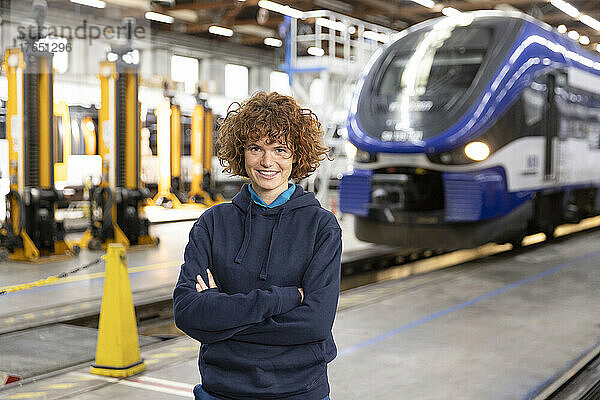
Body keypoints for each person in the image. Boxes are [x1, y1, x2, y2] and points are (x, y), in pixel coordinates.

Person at [173, 91, 342, 400]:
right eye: (256, 148)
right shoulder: (213, 224)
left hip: (300, 391)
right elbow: (187, 312)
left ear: (297, 155)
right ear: (241, 152)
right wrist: (287, 298)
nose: (267, 161)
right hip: (222, 391)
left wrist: (221, 317)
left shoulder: (321, 227)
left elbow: (315, 324)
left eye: (280, 149)